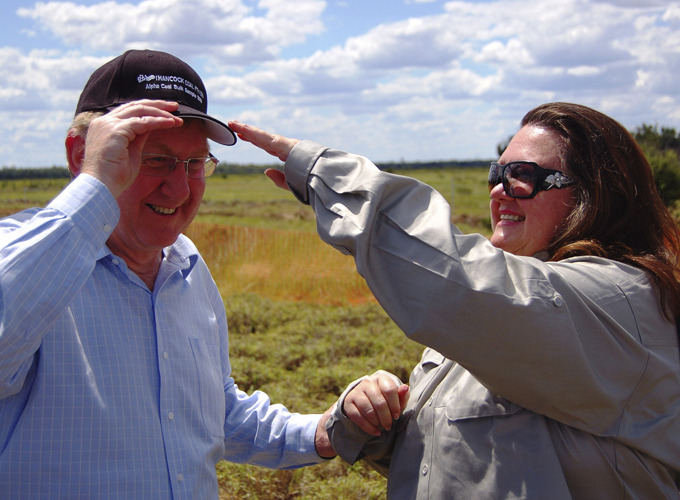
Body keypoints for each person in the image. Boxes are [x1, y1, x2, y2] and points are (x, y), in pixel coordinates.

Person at [229, 102, 680, 499]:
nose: (499, 189)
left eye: (524, 176)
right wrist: (374, 421)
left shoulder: (619, 302)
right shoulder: (503, 311)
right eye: (496, 174)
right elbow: (478, 453)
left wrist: (324, 173)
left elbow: (453, 277)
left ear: (594, 195)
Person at [0, 49, 335, 500]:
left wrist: (324, 432)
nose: (178, 189)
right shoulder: (22, 256)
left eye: (195, 164)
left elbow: (214, 414)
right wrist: (93, 190)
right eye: (154, 159)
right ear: (83, 155)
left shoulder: (187, 267)